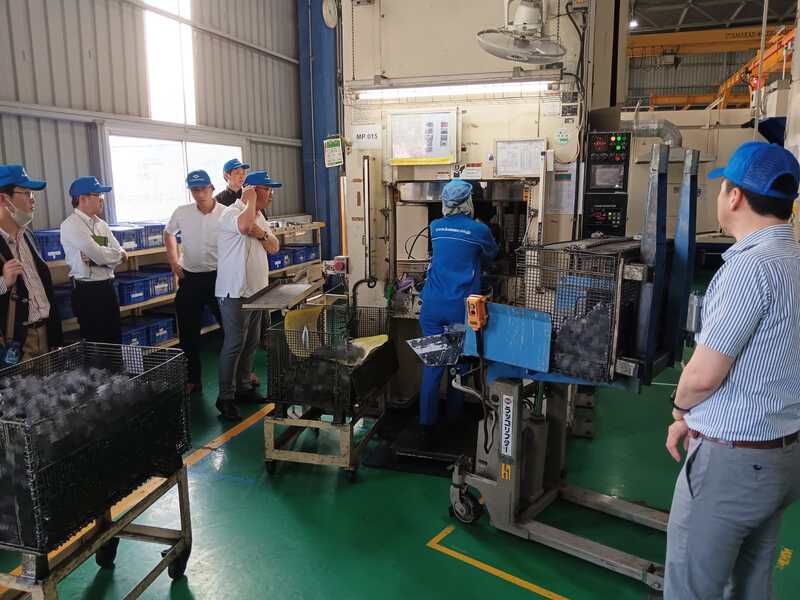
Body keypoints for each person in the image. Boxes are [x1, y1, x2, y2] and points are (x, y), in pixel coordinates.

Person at [664, 141, 800, 600]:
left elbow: (703, 376)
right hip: (782, 454)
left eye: (723, 187)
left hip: (733, 465)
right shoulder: (794, 261)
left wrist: (680, 409)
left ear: (735, 196)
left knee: (692, 588)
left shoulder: (749, 269)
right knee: (749, 584)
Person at [418, 179, 498, 438]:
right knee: (458, 368)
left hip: (431, 308)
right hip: (459, 310)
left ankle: (427, 428)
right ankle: (454, 422)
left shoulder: (435, 226)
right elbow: (492, 254)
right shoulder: (479, 230)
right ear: (468, 201)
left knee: (433, 368)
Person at [215, 170, 281, 421]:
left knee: (251, 342)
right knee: (234, 343)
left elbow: (274, 247)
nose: (271, 194)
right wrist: (250, 200)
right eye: (267, 189)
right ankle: (225, 397)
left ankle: (242, 388)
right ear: (252, 190)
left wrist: (260, 233)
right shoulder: (230, 213)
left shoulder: (259, 217)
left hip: (257, 291)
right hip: (235, 291)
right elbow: (244, 226)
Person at [165, 170, 226, 395]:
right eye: (194, 190)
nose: (199, 194)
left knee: (231, 329)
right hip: (190, 278)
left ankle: (241, 374)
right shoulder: (182, 212)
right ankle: (193, 378)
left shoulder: (226, 213)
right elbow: (168, 233)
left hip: (219, 278)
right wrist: (174, 262)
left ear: (212, 188)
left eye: (203, 189)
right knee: (188, 332)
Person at [0, 165, 62, 362]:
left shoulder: (28, 236)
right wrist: (4, 282)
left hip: (44, 333)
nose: (32, 199)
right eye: (26, 193)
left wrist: (55, 336)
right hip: (15, 343)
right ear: (3, 199)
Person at [60, 176, 126, 344]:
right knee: (96, 345)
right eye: (98, 195)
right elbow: (101, 255)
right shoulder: (71, 225)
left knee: (114, 341)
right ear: (82, 199)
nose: (102, 199)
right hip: (88, 292)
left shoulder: (101, 224)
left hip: (108, 289)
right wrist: (111, 256)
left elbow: (118, 251)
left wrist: (107, 256)